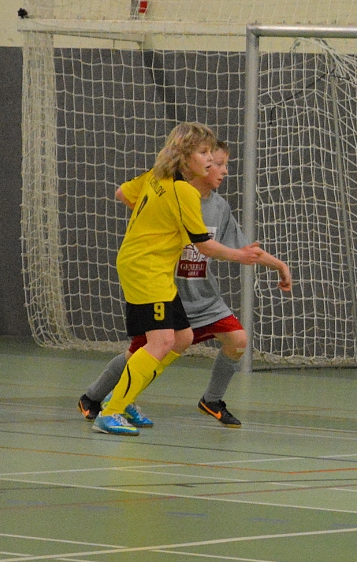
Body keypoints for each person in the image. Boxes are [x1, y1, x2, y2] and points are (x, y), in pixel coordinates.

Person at [78, 141, 292, 428]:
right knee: (141, 353)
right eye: (216, 162)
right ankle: (95, 398)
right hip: (166, 288)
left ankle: (211, 399)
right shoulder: (172, 190)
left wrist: (279, 265)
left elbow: (243, 249)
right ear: (194, 163)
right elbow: (206, 245)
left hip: (203, 296)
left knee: (237, 340)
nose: (223, 170)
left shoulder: (219, 207)